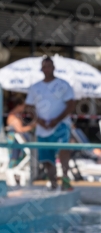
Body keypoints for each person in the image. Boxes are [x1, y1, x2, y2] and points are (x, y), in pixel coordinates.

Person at [25, 56, 75, 190]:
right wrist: (40, 121)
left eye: (49, 66)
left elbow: (70, 105)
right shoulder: (35, 87)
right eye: (45, 66)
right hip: (43, 128)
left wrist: (56, 120)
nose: (47, 69)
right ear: (41, 69)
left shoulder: (63, 84)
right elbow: (29, 107)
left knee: (64, 151)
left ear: (54, 68)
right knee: (47, 158)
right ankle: (53, 183)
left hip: (61, 125)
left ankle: (65, 180)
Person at [6, 95, 35, 169]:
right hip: (14, 140)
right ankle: (12, 170)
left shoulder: (16, 115)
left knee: (15, 156)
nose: (24, 108)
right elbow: (20, 130)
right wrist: (33, 126)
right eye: (24, 106)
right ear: (19, 105)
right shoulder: (13, 116)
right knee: (14, 156)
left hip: (15, 139)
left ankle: (13, 170)